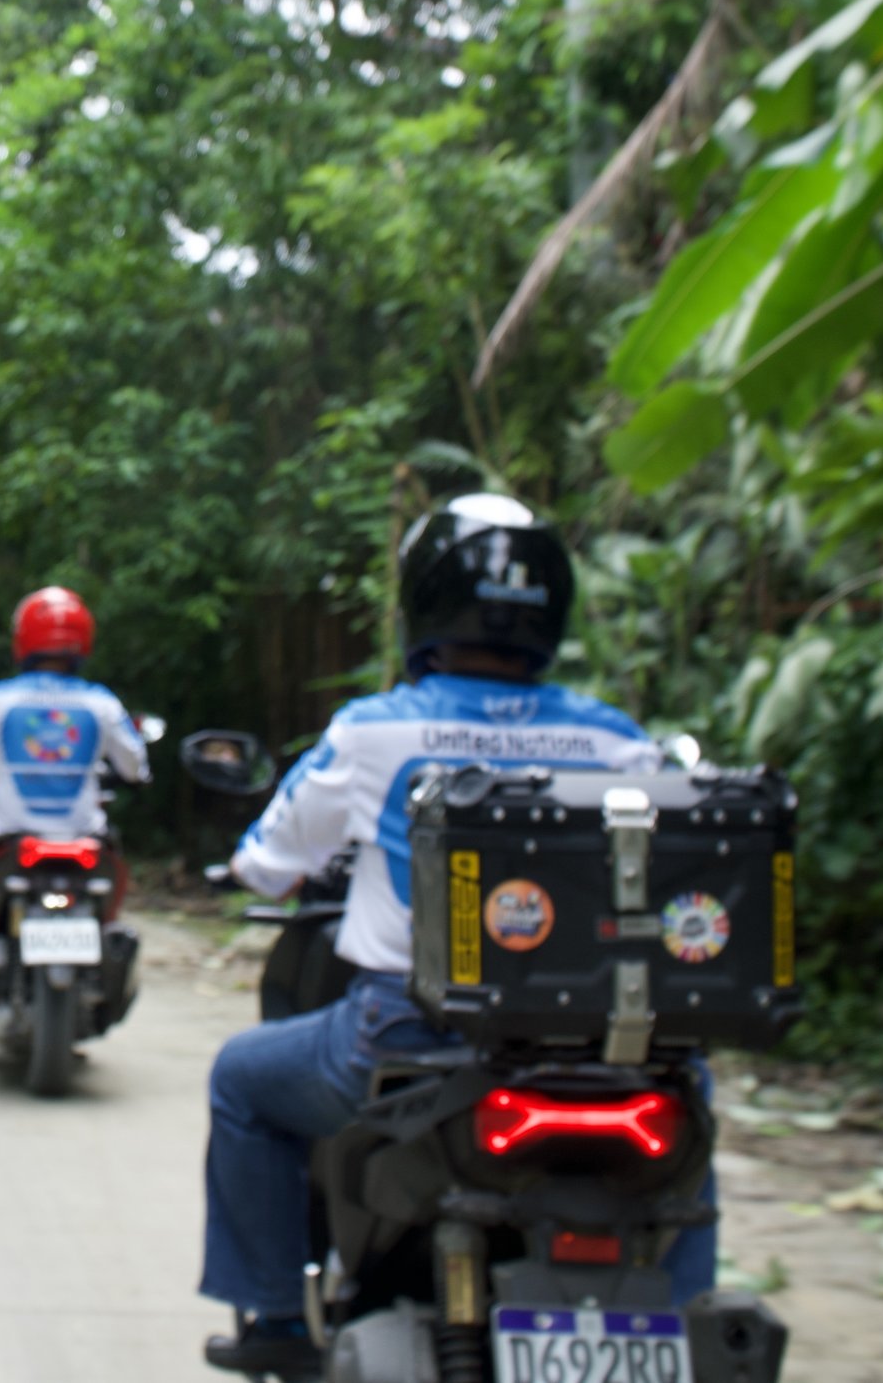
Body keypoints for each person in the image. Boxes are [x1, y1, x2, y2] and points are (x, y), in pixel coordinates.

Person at [196, 495, 709, 1378]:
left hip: (412, 1039)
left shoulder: (373, 730)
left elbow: (268, 863)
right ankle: (690, 1314)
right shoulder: (618, 740)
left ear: (420, 603)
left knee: (242, 1079)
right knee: (688, 1133)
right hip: (612, 1051)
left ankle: (277, 1317)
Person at [0, 587, 149, 969]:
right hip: (84, 835)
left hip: (10, 835)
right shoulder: (102, 703)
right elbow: (135, 766)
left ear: (22, 639)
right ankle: (106, 932)